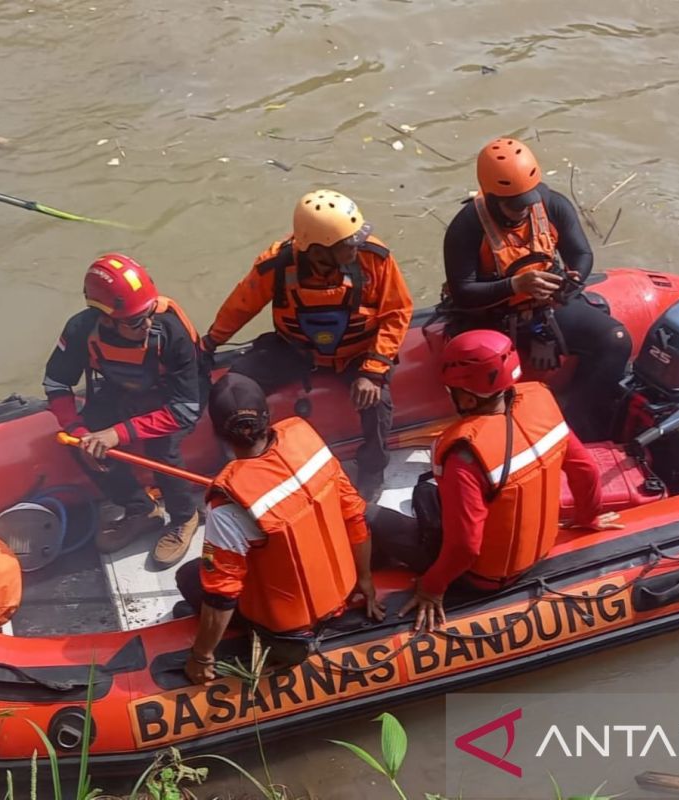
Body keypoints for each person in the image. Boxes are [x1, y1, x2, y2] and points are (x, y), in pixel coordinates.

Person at [366, 330, 623, 630]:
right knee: (426, 492)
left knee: (368, 514)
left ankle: (372, 571)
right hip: (538, 553)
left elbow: (466, 547)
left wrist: (433, 587)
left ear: (465, 395)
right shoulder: (543, 403)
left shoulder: (464, 455)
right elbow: (585, 470)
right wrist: (589, 516)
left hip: (479, 578)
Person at [201, 190, 413, 501]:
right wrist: (210, 342)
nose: (357, 245)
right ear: (320, 250)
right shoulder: (275, 265)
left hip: (357, 354)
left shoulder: (374, 258)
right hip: (295, 349)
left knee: (378, 403)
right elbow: (241, 306)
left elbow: (397, 311)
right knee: (234, 386)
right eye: (348, 243)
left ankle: (372, 469)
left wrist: (373, 370)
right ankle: (249, 459)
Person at [176, 373, 384, 684]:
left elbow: (223, 593)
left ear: (218, 433)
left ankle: (254, 638)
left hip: (289, 633)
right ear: (267, 416)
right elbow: (355, 516)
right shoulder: (306, 440)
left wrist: (201, 657)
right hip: (345, 590)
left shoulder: (226, 505)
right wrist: (365, 580)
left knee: (190, 577)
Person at [441, 137, 632, 441]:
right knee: (487, 372)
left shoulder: (552, 204)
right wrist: (515, 285)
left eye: (527, 202)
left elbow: (581, 255)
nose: (523, 211)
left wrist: (568, 285)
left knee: (615, 339)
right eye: (514, 205)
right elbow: (464, 291)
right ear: (491, 196)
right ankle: (499, 435)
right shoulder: (466, 227)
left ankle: (580, 421)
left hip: (547, 306)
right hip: (491, 318)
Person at [43, 253, 205, 567]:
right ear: (105, 318)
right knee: (81, 445)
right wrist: (80, 432)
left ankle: (185, 517)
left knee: (163, 448)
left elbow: (184, 409)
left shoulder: (170, 330)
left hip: (174, 395)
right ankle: (141, 508)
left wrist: (117, 434)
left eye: (148, 313)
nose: (146, 324)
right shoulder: (80, 330)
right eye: (134, 320)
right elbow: (56, 382)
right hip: (123, 389)